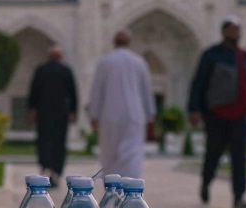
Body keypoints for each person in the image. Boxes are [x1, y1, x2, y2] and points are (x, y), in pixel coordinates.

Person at [188, 14, 246, 208]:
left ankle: (239, 197)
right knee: (213, 154)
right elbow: (199, 83)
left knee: (239, 158)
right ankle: (206, 183)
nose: (235, 33)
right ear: (224, 32)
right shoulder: (212, 55)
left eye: (237, 30)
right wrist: (194, 109)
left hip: (239, 116)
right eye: (231, 29)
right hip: (217, 115)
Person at [87, 30, 155, 179]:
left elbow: (97, 90)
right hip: (135, 114)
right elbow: (146, 92)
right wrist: (150, 117)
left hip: (110, 114)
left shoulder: (105, 62)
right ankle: (130, 187)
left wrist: (94, 114)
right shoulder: (139, 62)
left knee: (109, 153)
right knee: (132, 152)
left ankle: (112, 186)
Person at [27, 45, 79, 187]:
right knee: (58, 143)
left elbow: (33, 93)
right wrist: (73, 112)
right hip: (60, 114)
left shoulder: (41, 70)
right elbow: (73, 94)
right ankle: (55, 172)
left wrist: (31, 110)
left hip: (44, 113)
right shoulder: (65, 71)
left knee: (44, 141)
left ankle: (44, 169)